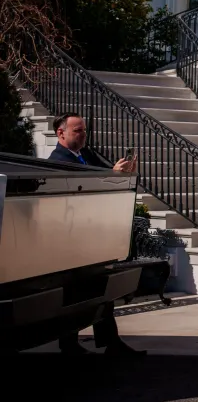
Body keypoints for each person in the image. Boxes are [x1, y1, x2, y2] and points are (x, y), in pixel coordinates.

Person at [48, 113, 145, 357]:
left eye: (84, 130)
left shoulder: (86, 155)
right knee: (73, 293)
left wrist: (123, 174)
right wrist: (109, 175)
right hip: (72, 238)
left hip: (92, 235)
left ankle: (110, 342)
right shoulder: (57, 161)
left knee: (101, 290)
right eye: (77, 131)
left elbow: (107, 184)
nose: (83, 135)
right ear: (61, 133)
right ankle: (69, 344)